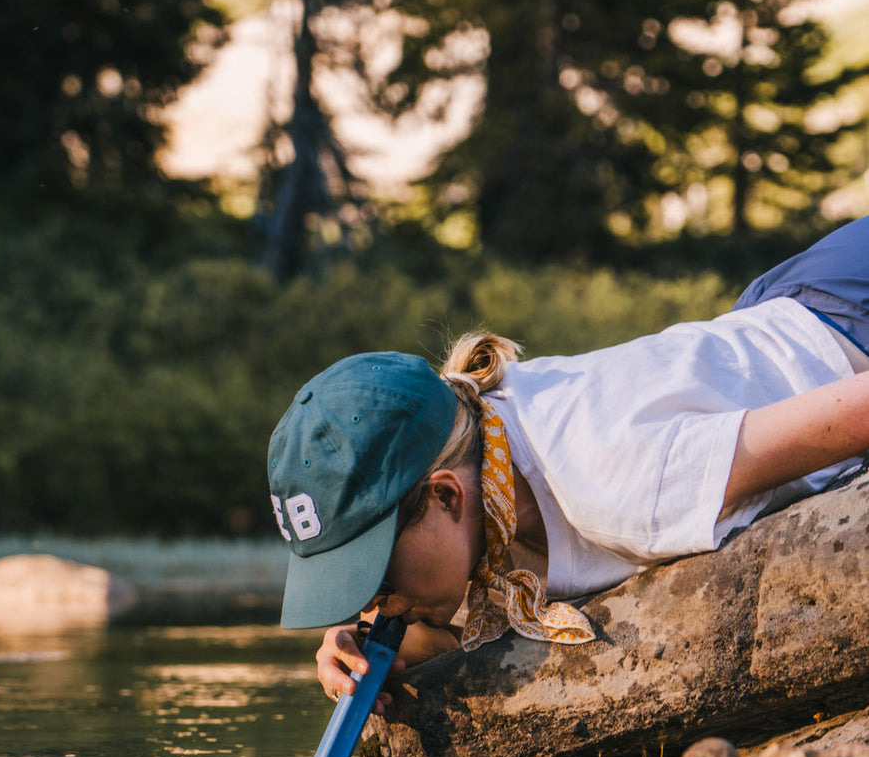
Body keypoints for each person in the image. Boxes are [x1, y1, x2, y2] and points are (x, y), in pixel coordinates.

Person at [266, 216, 869, 712]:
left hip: (847, 311)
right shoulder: (487, 457)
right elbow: (479, 612)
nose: (375, 610)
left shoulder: (616, 485)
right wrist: (375, 646)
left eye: (377, 584)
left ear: (447, 496)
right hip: (777, 308)